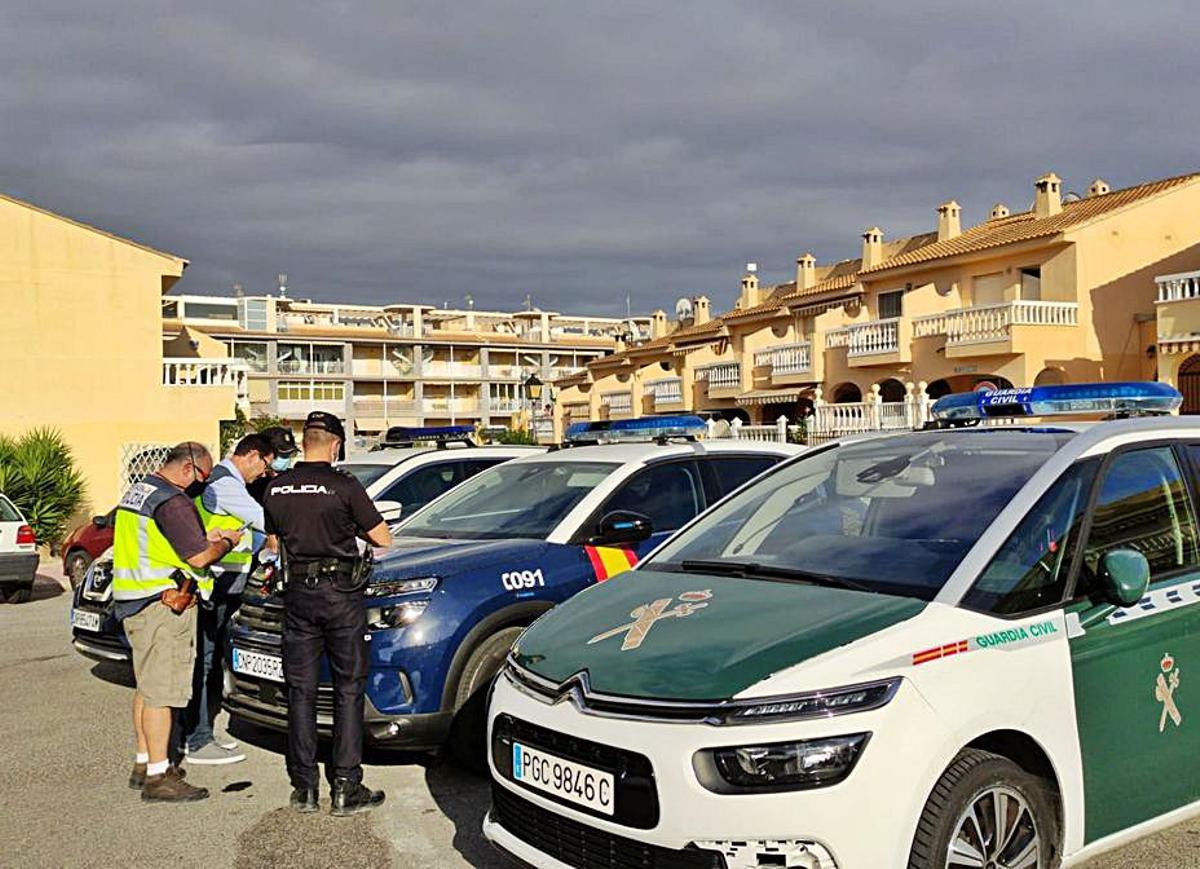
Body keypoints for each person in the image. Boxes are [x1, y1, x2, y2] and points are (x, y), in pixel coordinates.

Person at [263, 412, 392, 816]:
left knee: (300, 690)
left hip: (298, 595)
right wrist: (347, 527)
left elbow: (273, 544)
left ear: (305, 442)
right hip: (340, 595)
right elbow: (382, 538)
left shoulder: (277, 487)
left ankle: (304, 788)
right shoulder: (344, 485)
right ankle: (346, 786)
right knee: (347, 688)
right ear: (335, 444)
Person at [111, 442, 243, 803]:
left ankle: (144, 763)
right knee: (162, 693)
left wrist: (203, 538)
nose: (203, 484)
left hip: (134, 600)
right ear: (188, 468)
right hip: (164, 605)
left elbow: (160, 541)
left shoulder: (140, 491)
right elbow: (199, 557)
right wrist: (226, 542)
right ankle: (159, 777)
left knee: (147, 687)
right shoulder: (173, 501)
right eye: (203, 476)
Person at [183, 433, 276, 765]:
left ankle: (201, 733)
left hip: (225, 585)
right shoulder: (225, 484)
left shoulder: (230, 483)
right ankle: (197, 739)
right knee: (205, 662)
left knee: (211, 662)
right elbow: (265, 520)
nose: (264, 473)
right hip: (215, 586)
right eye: (265, 465)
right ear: (252, 455)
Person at [246, 426, 299, 504]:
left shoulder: (295, 479)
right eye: (282, 455)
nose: (286, 459)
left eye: (290, 454)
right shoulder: (250, 482)